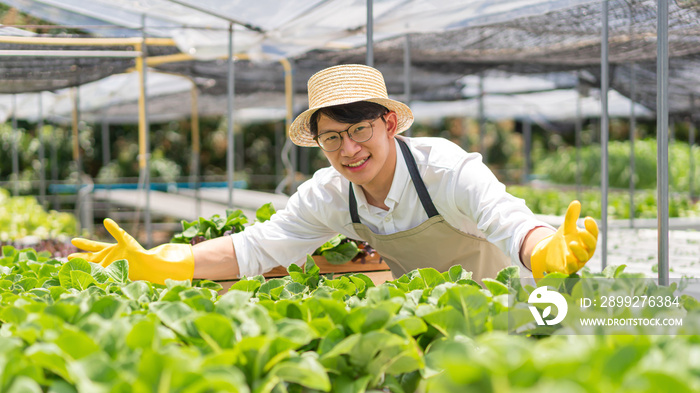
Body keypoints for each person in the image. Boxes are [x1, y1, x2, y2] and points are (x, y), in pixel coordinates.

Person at [69, 64, 598, 285]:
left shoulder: (444, 169)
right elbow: (256, 248)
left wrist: (543, 248)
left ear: (389, 123)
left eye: (360, 129)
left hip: (506, 310)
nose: (349, 149)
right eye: (332, 138)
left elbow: (505, 218)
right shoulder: (328, 194)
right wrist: (166, 263)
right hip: (432, 318)